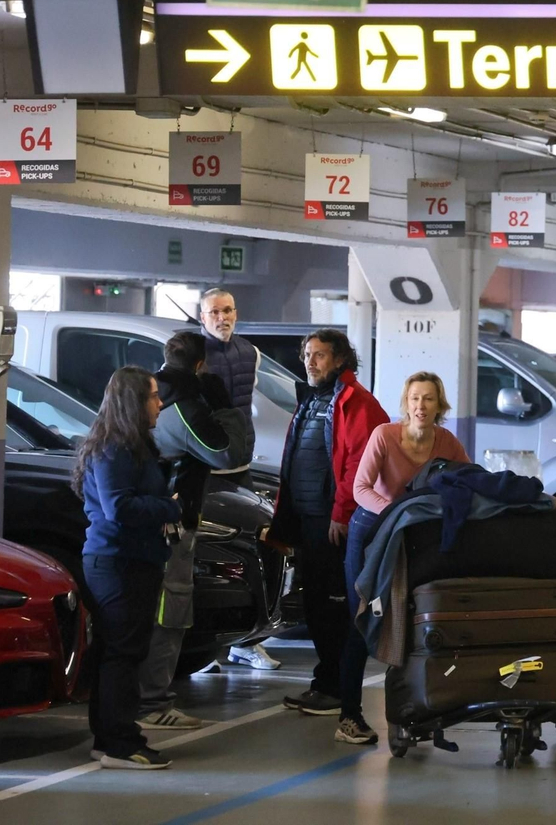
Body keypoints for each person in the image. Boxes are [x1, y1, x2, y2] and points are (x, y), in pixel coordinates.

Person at [263, 328, 389, 740]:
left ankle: (336, 686)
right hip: (306, 518)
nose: (311, 362)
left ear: (339, 360)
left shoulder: (356, 402)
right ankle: (324, 681)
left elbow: (359, 463)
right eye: (307, 355)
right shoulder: (313, 400)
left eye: (319, 355)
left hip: (334, 524)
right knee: (316, 604)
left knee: (334, 606)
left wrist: (342, 513)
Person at [337, 371, 470, 743]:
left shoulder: (447, 442)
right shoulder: (384, 435)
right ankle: (349, 715)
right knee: (361, 620)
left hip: (413, 535)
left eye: (428, 399)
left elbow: (471, 479)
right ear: (405, 403)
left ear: (439, 405)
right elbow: (360, 488)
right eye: (414, 398)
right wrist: (394, 512)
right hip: (371, 531)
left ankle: (416, 712)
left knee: (415, 621)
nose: (420, 406)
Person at [136, 332, 253, 730]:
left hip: (149, 523)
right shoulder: (184, 406)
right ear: (201, 365)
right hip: (172, 523)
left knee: (148, 611)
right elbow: (229, 453)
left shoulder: (145, 397)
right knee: (170, 612)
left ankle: (142, 698)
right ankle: (152, 702)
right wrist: (226, 409)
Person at [74, 366, 182, 770]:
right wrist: (170, 506)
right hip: (119, 562)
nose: (160, 403)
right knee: (123, 652)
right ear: (133, 402)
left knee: (118, 651)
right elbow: (118, 507)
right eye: (153, 396)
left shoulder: (129, 445)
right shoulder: (114, 448)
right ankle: (120, 743)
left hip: (131, 560)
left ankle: (109, 738)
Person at [197, 287, 274, 670]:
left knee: (249, 551)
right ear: (202, 317)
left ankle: (246, 642)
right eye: (214, 312)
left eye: (227, 310)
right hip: (204, 466)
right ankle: (207, 645)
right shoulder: (193, 355)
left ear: (236, 313)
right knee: (209, 556)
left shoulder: (251, 353)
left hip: (240, 464)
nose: (221, 317)